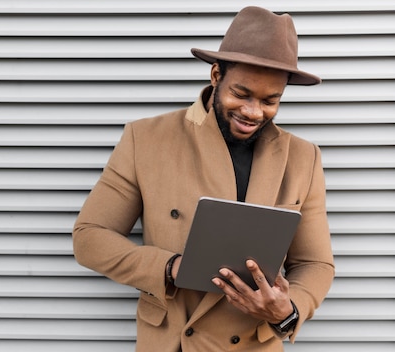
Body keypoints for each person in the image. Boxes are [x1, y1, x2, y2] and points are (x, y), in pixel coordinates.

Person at [72, 6, 335, 351]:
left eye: (271, 101)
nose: (254, 112)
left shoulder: (302, 157)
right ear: (215, 75)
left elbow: (315, 263)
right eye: (241, 94)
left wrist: (287, 309)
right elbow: (90, 237)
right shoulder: (147, 139)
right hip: (174, 342)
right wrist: (169, 268)